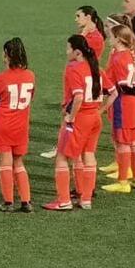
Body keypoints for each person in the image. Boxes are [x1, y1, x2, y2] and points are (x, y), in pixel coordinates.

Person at [46, 34, 104, 211]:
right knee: (88, 155)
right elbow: (114, 92)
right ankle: (86, 199)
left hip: (80, 119)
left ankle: (63, 201)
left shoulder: (74, 68)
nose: (66, 52)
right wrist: (99, 110)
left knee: (62, 157)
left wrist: (71, 116)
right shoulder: (96, 69)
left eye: (68, 48)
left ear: (77, 52)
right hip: (94, 117)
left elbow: (78, 96)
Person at [0, 38, 36, 212]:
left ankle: (8, 202)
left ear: (7, 55)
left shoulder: (1, 77)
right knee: (19, 162)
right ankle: (26, 201)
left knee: (5, 163)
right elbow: (31, 97)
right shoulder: (30, 75)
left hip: (4, 124)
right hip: (21, 124)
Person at [102, 21, 135, 194]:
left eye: (111, 37)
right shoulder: (132, 55)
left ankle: (123, 182)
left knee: (122, 144)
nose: (109, 39)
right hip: (134, 105)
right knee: (134, 142)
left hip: (123, 104)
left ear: (119, 39)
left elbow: (122, 85)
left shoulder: (118, 58)